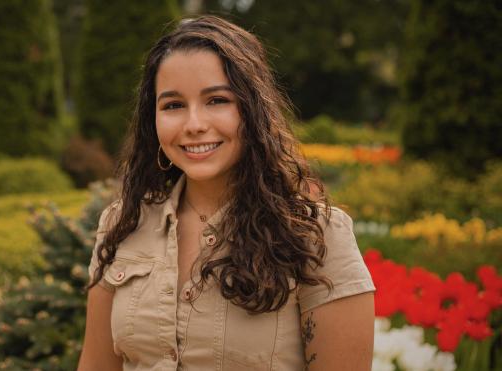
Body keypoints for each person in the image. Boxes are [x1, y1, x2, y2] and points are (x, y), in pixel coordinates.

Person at [78, 16, 375, 371]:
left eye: (217, 100)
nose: (194, 124)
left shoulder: (316, 236)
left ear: (253, 110)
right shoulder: (121, 224)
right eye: (173, 105)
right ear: (152, 119)